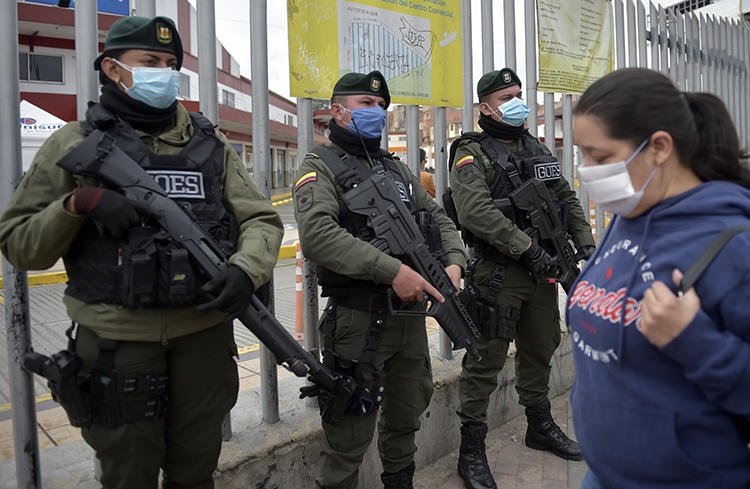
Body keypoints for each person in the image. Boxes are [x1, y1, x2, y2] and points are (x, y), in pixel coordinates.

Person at [0, 16, 283, 489]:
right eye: (149, 62)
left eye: (171, 64)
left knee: (195, 472)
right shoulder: (74, 143)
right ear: (112, 70)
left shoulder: (210, 144)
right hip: (117, 343)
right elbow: (20, 244)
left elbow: (260, 218)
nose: (165, 73)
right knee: (128, 475)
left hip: (203, 336)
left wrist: (244, 269)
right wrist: (77, 204)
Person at [569, 67, 750, 489]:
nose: (586, 170)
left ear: (660, 147)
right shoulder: (628, 214)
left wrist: (694, 341)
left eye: (600, 157)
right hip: (603, 473)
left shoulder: (733, 245)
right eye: (583, 155)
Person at [294, 70, 466, 489]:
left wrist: (455, 262)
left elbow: (439, 218)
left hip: (407, 321)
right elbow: (318, 236)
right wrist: (392, 271)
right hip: (358, 321)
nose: (378, 114)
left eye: (382, 107)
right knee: (349, 431)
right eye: (366, 105)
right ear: (338, 112)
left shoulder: (397, 170)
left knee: (407, 414)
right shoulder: (320, 166)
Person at [447, 68, 595, 489]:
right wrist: (527, 248)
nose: (517, 103)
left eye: (519, 94)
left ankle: (539, 425)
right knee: (485, 361)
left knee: (539, 347)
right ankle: (470, 450)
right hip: (500, 273)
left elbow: (565, 197)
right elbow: (475, 211)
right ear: (485, 108)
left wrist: (583, 244)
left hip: (544, 271)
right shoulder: (470, 152)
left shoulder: (536, 147)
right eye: (507, 97)